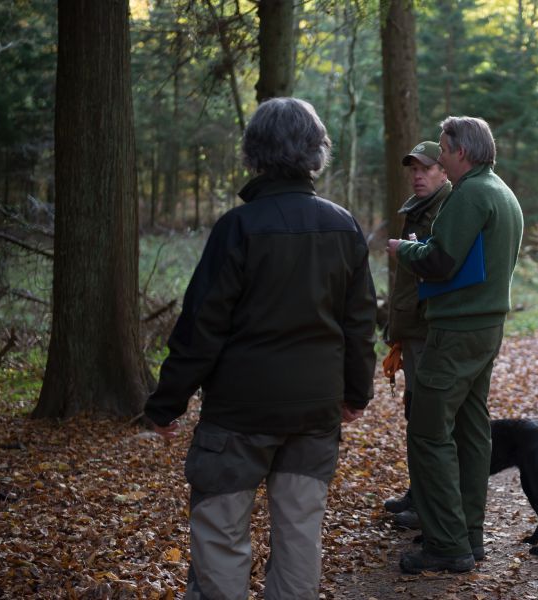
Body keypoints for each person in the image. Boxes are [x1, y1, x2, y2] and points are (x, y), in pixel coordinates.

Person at [144, 97, 377, 599]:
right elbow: (359, 325)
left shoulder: (239, 228)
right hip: (313, 410)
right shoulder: (343, 226)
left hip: (238, 415)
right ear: (316, 153)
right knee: (299, 535)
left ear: (254, 153)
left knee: (221, 534)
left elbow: (201, 325)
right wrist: (356, 394)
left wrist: (168, 402)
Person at [386, 116, 524, 574]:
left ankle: (448, 544)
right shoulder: (502, 193)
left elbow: (442, 260)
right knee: (469, 430)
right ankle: (469, 534)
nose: (439, 157)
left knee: (428, 431)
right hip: (485, 329)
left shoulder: (471, 194)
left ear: (461, 152)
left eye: (443, 149)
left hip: (457, 331)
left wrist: (405, 250)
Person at [382, 141, 453, 529]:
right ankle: (419, 490)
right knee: (415, 412)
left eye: (426, 169)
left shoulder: (447, 209)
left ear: (444, 171)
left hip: (430, 329)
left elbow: (441, 266)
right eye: (413, 169)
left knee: (429, 418)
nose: (417, 175)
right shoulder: (417, 208)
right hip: (412, 328)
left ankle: (430, 503)